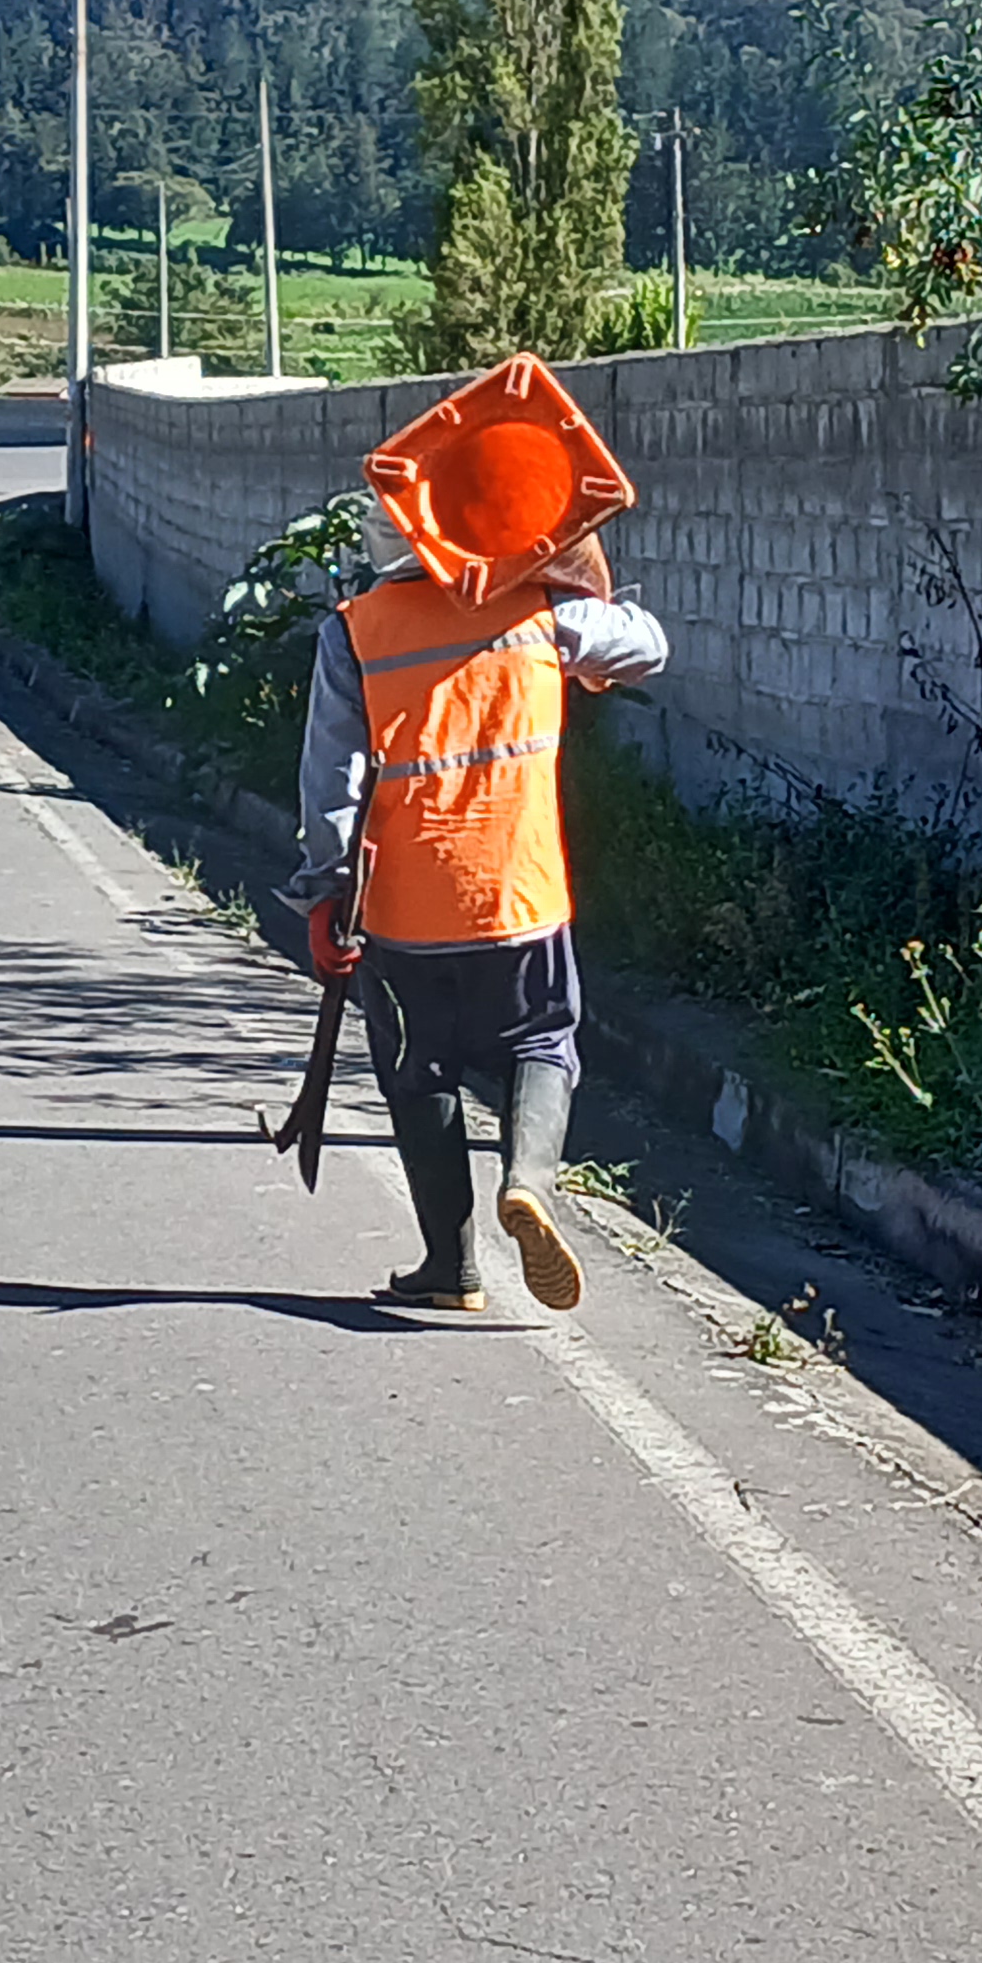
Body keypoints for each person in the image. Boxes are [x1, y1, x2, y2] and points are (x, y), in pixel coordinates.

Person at [285, 369, 668, 1313]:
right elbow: (648, 646)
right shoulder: (542, 618)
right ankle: (528, 1179)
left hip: (402, 907)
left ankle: (450, 1267)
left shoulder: (355, 632)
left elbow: (331, 782)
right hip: (520, 894)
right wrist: (568, 571)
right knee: (544, 1040)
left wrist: (323, 892)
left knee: (419, 1071)